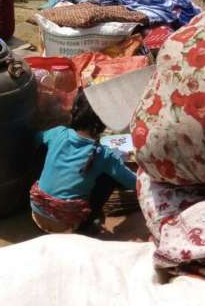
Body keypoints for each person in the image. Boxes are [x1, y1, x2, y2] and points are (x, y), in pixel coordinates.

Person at [30, 90, 136, 234]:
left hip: (37, 214)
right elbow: (134, 183)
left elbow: (36, 139)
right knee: (109, 178)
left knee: (46, 151)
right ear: (103, 121)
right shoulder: (103, 154)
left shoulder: (58, 133)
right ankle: (86, 225)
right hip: (65, 225)